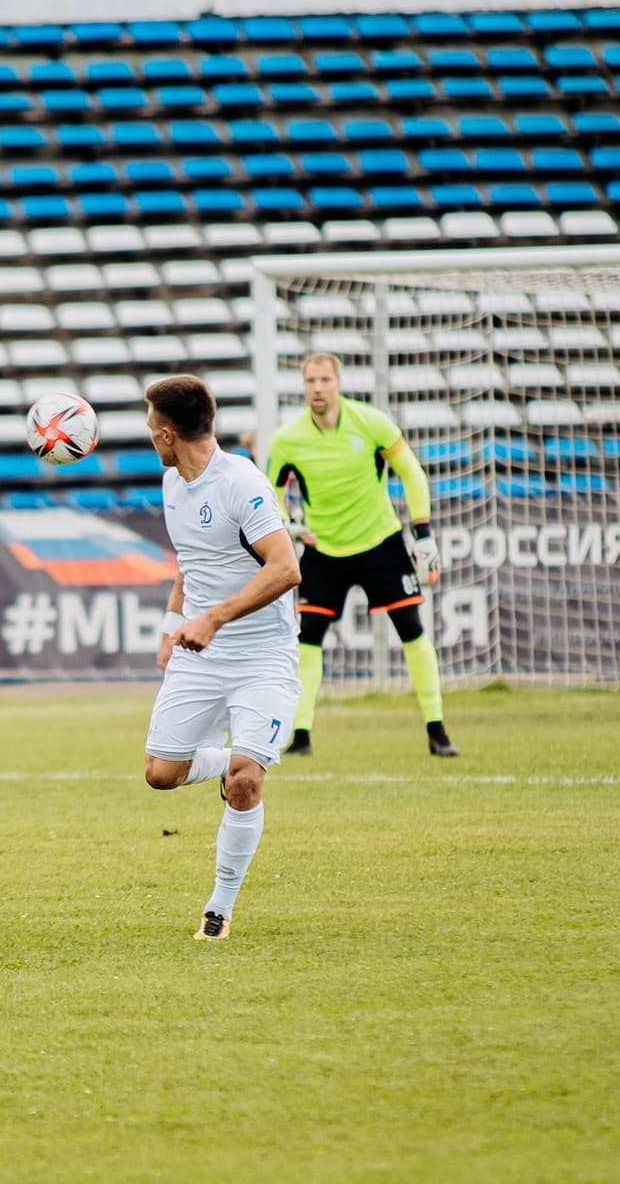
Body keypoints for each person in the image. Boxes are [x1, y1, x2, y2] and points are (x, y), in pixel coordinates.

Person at [141, 375, 302, 942]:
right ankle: (236, 755)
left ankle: (219, 907)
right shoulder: (172, 484)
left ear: (167, 433)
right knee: (161, 775)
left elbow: (285, 568)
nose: (149, 435)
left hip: (262, 656)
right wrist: (172, 629)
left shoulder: (240, 483)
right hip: (200, 656)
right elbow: (190, 564)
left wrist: (212, 619)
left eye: (150, 425)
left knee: (245, 783)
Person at [265, 352, 460, 759]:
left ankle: (437, 730)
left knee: (412, 630)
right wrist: (288, 525)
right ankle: (301, 735)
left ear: (338, 383)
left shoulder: (371, 423)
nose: (317, 388)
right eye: (310, 381)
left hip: (380, 542)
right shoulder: (287, 439)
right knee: (307, 640)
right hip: (323, 550)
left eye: (325, 380)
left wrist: (423, 534)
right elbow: (271, 494)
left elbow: (412, 472)